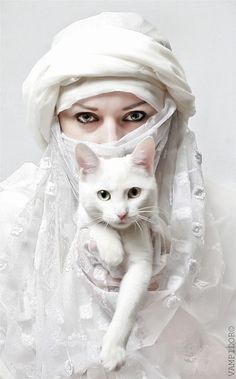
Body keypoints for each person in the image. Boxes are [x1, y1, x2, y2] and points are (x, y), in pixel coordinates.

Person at [0, 11, 235, 379]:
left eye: (136, 116)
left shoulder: (225, 214)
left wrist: (157, 300)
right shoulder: (11, 217)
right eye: (86, 118)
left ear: (166, 119)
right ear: (56, 122)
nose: (112, 142)